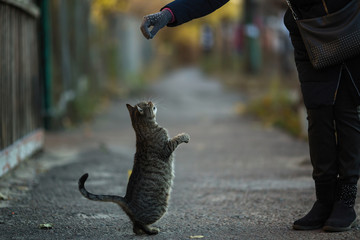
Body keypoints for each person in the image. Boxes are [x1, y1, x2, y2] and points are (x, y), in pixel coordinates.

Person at [140, 0, 360, 232]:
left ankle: (346, 201)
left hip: (349, 22)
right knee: (318, 113)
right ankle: (324, 200)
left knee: (346, 111)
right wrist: (169, 13)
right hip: (307, 30)